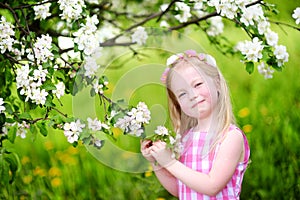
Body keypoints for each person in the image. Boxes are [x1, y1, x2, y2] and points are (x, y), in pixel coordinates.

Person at [141, 50, 250, 199]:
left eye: (198, 84)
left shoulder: (230, 137)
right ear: (177, 102)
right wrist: (157, 162)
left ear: (217, 83)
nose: (192, 95)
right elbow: (180, 190)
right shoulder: (186, 138)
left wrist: (169, 162)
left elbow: (212, 186)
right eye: (182, 94)